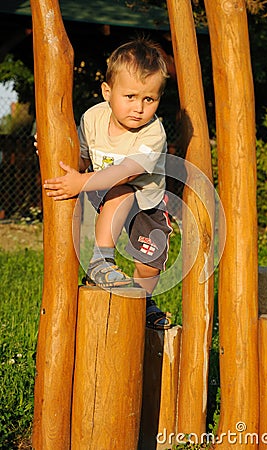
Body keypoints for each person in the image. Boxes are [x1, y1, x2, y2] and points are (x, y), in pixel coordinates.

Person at [43, 37, 172, 330]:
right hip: (108, 189)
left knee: (150, 262)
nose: (139, 108)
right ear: (107, 92)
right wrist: (51, 148)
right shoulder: (93, 118)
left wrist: (80, 182)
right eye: (130, 97)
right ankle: (101, 262)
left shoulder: (153, 133)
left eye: (149, 99)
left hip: (147, 201)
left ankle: (145, 301)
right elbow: (80, 157)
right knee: (120, 194)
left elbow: (126, 172)